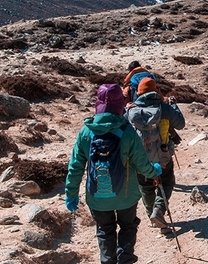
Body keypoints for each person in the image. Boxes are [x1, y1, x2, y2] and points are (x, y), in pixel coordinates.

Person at [64, 83, 162, 264]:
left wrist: (71, 194)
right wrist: (153, 171)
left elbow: (76, 166)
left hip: (97, 196)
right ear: (121, 104)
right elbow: (141, 163)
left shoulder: (86, 132)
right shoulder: (127, 132)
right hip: (126, 195)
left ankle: (107, 261)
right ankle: (125, 259)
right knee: (128, 226)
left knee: (104, 229)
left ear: (98, 104)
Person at [125, 77, 185, 231]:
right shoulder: (164, 108)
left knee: (145, 187)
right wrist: (174, 106)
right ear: (155, 90)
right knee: (167, 183)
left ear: (139, 92)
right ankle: (159, 210)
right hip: (163, 156)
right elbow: (180, 124)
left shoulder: (131, 110)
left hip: (140, 159)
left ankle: (151, 214)